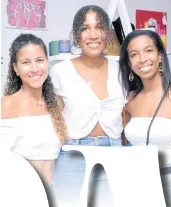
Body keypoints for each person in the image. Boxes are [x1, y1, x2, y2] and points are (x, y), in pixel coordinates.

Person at [49, 5, 126, 207]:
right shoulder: (59, 72)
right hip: (73, 155)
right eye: (85, 28)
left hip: (113, 152)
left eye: (99, 27)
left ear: (108, 33)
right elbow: (50, 119)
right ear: (76, 35)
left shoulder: (121, 69)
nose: (92, 35)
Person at [119, 29, 171, 207]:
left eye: (148, 50)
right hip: (139, 186)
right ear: (130, 64)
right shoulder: (129, 100)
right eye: (134, 54)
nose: (142, 59)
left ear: (160, 56)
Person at [1, 33, 68, 207]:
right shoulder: (8, 105)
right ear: (15, 68)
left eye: (39, 60)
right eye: (26, 63)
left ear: (47, 62)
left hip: (53, 193)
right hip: (21, 193)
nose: (35, 68)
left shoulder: (56, 104)